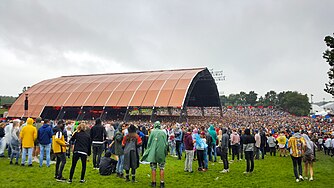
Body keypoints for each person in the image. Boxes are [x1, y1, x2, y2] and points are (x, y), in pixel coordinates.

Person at [142, 121, 168, 188]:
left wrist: (148, 151)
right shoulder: (163, 133)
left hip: (153, 153)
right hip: (161, 153)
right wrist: (165, 152)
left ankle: (154, 182)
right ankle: (162, 183)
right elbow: (166, 143)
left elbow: (149, 143)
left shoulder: (152, 132)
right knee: (162, 168)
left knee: (153, 168)